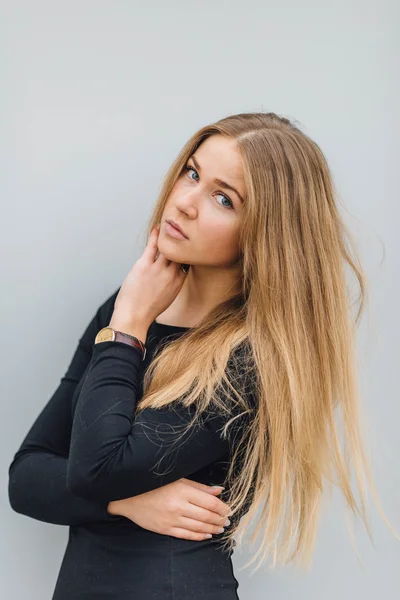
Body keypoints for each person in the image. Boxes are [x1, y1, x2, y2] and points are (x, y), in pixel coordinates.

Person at [8, 112, 397, 599]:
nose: (186, 202)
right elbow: (25, 478)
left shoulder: (250, 358)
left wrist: (128, 328)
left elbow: (93, 469)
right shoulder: (127, 305)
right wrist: (124, 504)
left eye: (223, 198)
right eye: (192, 173)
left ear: (266, 233)